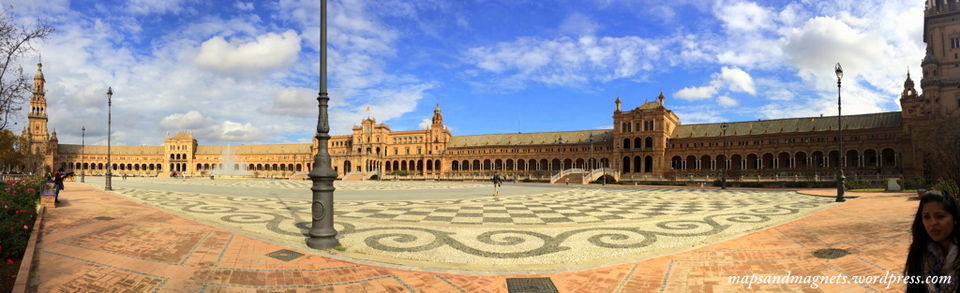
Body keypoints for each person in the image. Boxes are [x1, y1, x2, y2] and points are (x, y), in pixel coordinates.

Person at [904, 190, 960, 292]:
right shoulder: (918, 252)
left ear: (954, 218)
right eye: (926, 217)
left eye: (940, 216)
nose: (933, 223)